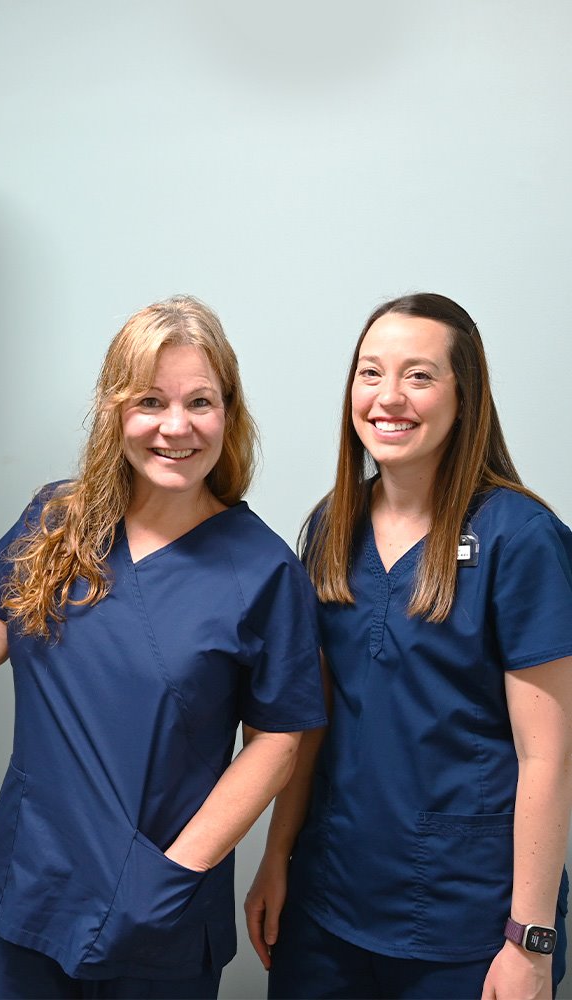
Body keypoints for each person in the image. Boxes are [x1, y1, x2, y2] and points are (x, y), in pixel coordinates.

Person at [0, 295, 326, 999]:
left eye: (200, 402)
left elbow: (279, 739)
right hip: (37, 875)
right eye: (150, 401)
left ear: (228, 413)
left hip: (160, 897)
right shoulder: (61, 517)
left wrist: (175, 873)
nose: (176, 427)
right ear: (115, 410)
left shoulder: (262, 571)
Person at [244, 292, 572, 1000]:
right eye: (370, 373)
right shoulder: (333, 525)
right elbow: (311, 721)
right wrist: (276, 857)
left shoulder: (520, 538)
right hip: (329, 898)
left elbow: (548, 756)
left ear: (465, 395)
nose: (388, 397)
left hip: (467, 918)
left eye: (419, 375)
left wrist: (531, 940)